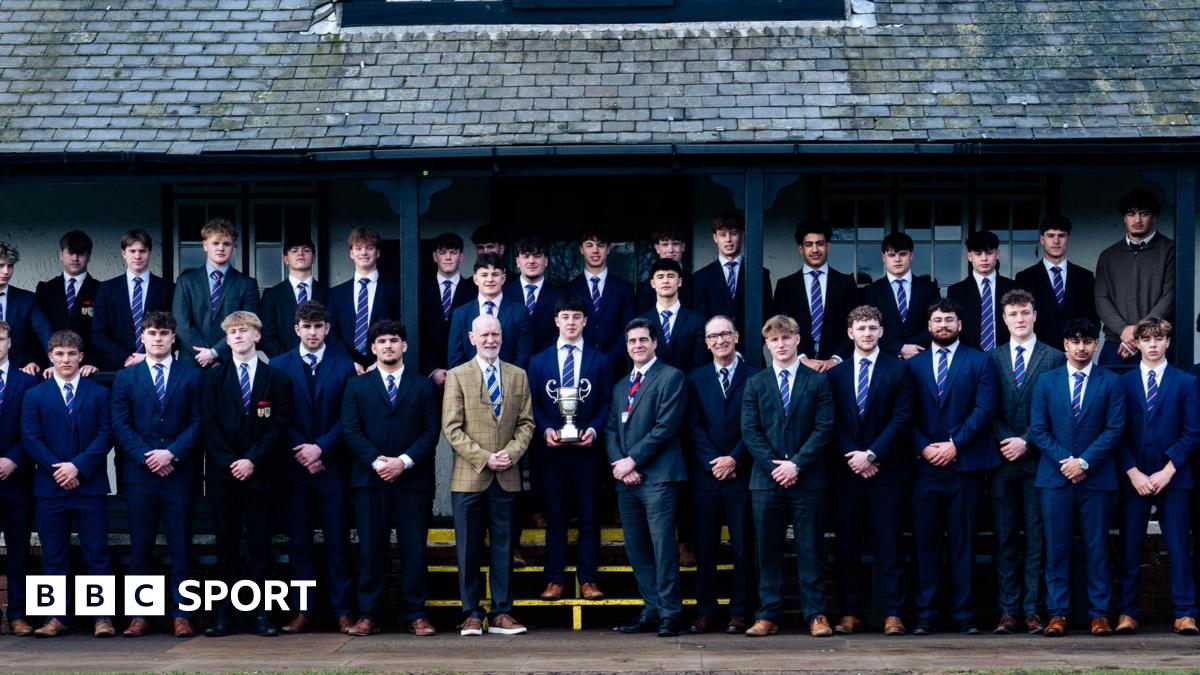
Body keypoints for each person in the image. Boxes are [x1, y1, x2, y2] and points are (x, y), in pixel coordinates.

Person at [342, 319, 440, 637]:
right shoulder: (356, 386)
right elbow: (351, 430)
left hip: (413, 481)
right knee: (371, 549)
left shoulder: (423, 386)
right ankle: (369, 615)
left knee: (415, 549)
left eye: (394, 340)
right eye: (382, 341)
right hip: (370, 481)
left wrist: (403, 462)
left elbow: (431, 432)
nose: (388, 346)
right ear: (373, 348)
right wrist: (377, 462)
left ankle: (417, 614)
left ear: (404, 346)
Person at [1029, 318, 1124, 637]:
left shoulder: (1111, 381)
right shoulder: (1047, 381)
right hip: (1055, 479)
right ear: (1065, 345)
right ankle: (1057, 614)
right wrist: (1067, 462)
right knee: (1056, 548)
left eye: (1087, 341)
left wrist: (1084, 462)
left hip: (1096, 478)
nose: (1080, 347)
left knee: (1097, 547)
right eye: (1074, 341)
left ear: (1096, 345)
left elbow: (1114, 429)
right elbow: (1038, 430)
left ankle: (1099, 614)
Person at [110, 311, 203, 638]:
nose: (158, 338)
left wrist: (171, 453)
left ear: (173, 338)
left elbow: (199, 422)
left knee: (181, 546)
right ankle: (140, 615)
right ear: (143, 338)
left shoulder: (192, 376)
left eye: (164, 333)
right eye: (152, 333)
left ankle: (183, 614)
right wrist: (146, 456)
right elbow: (120, 424)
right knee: (141, 547)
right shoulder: (126, 378)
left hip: (180, 473)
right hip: (141, 475)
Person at [907, 299, 998, 635]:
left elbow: (984, 409)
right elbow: (905, 413)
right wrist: (923, 447)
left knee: (964, 544)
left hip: (965, 467)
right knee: (925, 545)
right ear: (929, 325)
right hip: (924, 468)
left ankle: (965, 615)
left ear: (960, 324)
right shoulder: (913, 365)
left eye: (949, 319)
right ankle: (926, 615)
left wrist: (954, 444)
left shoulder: (980, 361)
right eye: (937, 320)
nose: (943, 325)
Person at [741, 314, 834, 638]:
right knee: (768, 551)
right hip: (766, 482)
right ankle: (768, 614)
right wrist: (776, 467)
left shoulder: (818, 381)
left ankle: (816, 614)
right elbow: (750, 431)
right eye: (774, 340)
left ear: (797, 340)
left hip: (808, 479)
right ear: (767, 345)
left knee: (810, 549)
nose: (780, 344)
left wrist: (796, 464)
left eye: (785, 338)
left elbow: (824, 428)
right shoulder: (756, 383)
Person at [442, 314, 535, 637]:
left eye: (495, 334)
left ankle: (502, 612)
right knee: (468, 548)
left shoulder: (518, 375)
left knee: (504, 548)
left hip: (507, 474)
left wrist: (511, 453)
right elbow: (451, 428)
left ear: (502, 337)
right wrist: (484, 458)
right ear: (472, 338)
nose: (490, 340)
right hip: (469, 476)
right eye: (484, 335)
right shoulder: (457, 375)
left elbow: (527, 423)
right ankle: (470, 613)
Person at [201, 311, 291, 638]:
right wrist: (232, 461)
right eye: (232, 332)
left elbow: (278, 426)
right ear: (226, 340)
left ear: (257, 335)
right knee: (225, 547)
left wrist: (252, 460)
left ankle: (260, 614)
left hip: (261, 475)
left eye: (244, 330)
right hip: (224, 477)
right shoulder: (212, 379)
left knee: (259, 547)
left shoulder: (277, 379)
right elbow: (209, 426)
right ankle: (224, 615)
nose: (238, 336)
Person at [826, 305, 914, 636]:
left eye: (872, 328)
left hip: (887, 471)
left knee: (890, 543)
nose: (867, 333)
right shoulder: (835, 375)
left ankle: (893, 613)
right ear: (850, 333)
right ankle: (851, 612)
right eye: (861, 328)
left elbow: (902, 418)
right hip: (847, 472)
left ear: (881, 332)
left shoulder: (899, 370)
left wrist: (873, 455)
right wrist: (855, 457)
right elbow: (831, 421)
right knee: (847, 545)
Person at [270, 301, 357, 635]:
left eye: (318, 326)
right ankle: (303, 611)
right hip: (294, 469)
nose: (312, 332)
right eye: (306, 326)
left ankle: (343, 611)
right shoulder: (278, 365)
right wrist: (303, 450)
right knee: (300, 544)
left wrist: (321, 448)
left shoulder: (345, 366)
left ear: (327, 329)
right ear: (296, 329)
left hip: (331, 467)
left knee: (338, 542)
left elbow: (348, 417)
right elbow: (278, 415)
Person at [21, 330, 114, 637]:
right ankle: (55, 616)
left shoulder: (98, 393)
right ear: (50, 357)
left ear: (81, 357)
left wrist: (78, 467)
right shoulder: (35, 395)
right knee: (53, 554)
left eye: (71, 354)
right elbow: (31, 438)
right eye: (59, 354)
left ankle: (101, 617)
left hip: (90, 485)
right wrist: (58, 470)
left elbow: (105, 435)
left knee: (97, 553)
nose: (65, 359)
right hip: (50, 488)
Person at [987, 290, 1065, 635]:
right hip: (1002, 461)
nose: (1019, 319)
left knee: (1037, 537)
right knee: (1005, 537)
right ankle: (1008, 611)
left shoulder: (1055, 357)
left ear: (1035, 315)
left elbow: (1058, 410)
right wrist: (1008, 440)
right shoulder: (991, 358)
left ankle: (1033, 610)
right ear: (1004, 319)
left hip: (1039, 461)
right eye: (1013, 314)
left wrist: (1027, 441)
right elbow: (986, 408)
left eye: (1025, 313)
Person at [1115, 318, 1199, 635]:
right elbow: (1116, 433)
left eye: (1159, 338)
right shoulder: (1122, 383)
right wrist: (1133, 471)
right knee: (1130, 547)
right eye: (1147, 339)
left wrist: (1168, 470)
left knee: (1178, 546)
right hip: (1133, 477)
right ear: (1137, 343)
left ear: (1168, 342)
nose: (1153, 344)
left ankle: (1185, 613)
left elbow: (1193, 432)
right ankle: (1127, 612)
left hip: (1174, 477)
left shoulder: (1185, 382)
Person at [607, 318, 687, 638]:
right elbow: (611, 429)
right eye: (632, 341)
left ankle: (670, 613)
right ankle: (652, 608)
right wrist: (620, 464)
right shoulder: (620, 386)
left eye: (643, 340)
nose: (637, 345)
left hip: (658, 479)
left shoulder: (671, 377)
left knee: (662, 547)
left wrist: (633, 460)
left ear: (655, 342)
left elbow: (666, 427)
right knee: (637, 548)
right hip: (627, 481)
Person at [527, 295, 611, 602]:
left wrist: (594, 429)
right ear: (556, 321)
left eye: (577, 316)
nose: (571, 322)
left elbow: (606, 402)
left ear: (585, 321)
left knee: (589, 517)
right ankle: (555, 579)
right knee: (556, 517)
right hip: (552, 452)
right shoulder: (538, 361)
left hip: (587, 451)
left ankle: (588, 579)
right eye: (565, 317)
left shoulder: (600, 360)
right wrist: (546, 429)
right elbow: (533, 403)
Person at [684, 315, 759, 635]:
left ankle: (740, 612)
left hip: (743, 474)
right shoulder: (695, 379)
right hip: (707, 476)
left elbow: (756, 424)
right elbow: (692, 426)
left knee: (743, 547)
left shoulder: (755, 376)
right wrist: (713, 461)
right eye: (713, 336)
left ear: (736, 337)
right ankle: (706, 611)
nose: (720, 341)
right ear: (706, 343)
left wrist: (734, 458)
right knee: (706, 548)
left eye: (725, 334)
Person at [1094, 189, 1176, 364]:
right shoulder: (1108, 256)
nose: (1137, 220)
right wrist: (1123, 330)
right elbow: (1101, 299)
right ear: (1124, 218)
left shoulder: (1170, 250)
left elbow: (1170, 296)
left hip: (1157, 344)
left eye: (1144, 213)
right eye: (1131, 214)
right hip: (1117, 344)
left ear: (1154, 216)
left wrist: (1139, 331)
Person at [171, 218, 261, 368]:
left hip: (229, 361)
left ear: (233, 247)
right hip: (192, 361)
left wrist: (215, 352)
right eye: (215, 243)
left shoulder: (247, 284)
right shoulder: (186, 281)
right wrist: (205, 353)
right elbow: (181, 324)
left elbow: (248, 323)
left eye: (226, 244)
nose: (221, 248)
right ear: (205, 245)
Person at [773, 218, 858, 372]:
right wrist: (802, 358)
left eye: (820, 243)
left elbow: (854, 326)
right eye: (809, 244)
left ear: (828, 246)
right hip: (797, 366)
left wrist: (835, 359)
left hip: (838, 367)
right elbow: (780, 328)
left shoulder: (846, 283)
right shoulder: (786, 285)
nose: (815, 249)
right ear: (801, 248)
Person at [0, 321, 39, 636]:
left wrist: (13, 459)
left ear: (10, 342)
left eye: (0, 339)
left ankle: (17, 614)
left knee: (18, 550)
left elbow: (32, 430)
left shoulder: (26, 382)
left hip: (17, 479)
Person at [92, 229, 174, 372]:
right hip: (117, 367)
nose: (137, 256)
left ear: (149, 252)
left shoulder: (167, 288)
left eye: (142, 251)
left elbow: (175, 329)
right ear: (123, 253)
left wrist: (149, 357)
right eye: (132, 251)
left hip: (158, 366)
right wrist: (126, 358)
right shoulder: (107, 289)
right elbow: (98, 333)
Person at [692, 211, 773, 352]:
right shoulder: (701, 277)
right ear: (715, 238)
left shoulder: (760, 273)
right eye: (722, 235)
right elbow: (700, 320)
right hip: (715, 353)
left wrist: (755, 343)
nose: (728, 239)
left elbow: (767, 314)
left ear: (742, 234)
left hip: (751, 352)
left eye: (733, 233)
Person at [1013, 215, 1098, 347]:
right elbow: (1021, 320)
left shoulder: (1085, 277)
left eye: (1061, 235)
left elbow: (1092, 318)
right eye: (1051, 236)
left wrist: (1079, 345)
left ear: (1068, 239)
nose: (1056, 241)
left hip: (1075, 351)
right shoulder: (1025, 278)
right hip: (1038, 351)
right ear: (1042, 239)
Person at [328, 227, 401, 371]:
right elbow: (331, 333)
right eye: (358, 248)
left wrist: (381, 362)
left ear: (378, 252)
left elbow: (400, 328)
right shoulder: (336, 293)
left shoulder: (394, 290)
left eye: (369, 248)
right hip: (346, 367)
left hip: (384, 366)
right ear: (351, 253)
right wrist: (349, 362)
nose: (364, 253)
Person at [447, 252, 533, 370]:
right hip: (469, 380)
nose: (490, 279)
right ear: (475, 279)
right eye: (484, 275)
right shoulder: (461, 314)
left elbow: (523, 356)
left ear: (503, 278)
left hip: (510, 379)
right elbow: (455, 358)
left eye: (495, 274)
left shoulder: (520, 312)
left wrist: (509, 378)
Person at [863, 232, 940, 359]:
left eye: (903, 254)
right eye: (891, 255)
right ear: (883, 257)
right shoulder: (872, 291)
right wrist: (899, 348)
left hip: (922, 356)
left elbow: (936, 323)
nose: (897, 259)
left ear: (911, 255)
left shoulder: (929, 288)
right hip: (886, 359)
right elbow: (868, 328)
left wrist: (913, 347)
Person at [565, 230, 635, 371]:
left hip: (615, 366)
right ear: (581, 249)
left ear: (608, 249)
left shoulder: (624, 288)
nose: (595, 250)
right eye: (589, 245)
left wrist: (609, 359)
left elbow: (629, 329)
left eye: (600, 245)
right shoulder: (570, 288)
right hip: (579, 364)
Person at [35, 231, 101, 370]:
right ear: (61, 255)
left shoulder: (101, 289)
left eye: (80, 253)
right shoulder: (45, 289)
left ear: (89, 256)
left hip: (88, 368)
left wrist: (94, 362)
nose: (75, 258)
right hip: (51, 367)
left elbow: (105, 331)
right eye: (70, 253)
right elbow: (36, 331)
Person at [418, 232, 477, 383]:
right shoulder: (420, 290)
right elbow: (417, 333)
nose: (448, 257)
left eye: (453, 252)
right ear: (434, 256)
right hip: (427, 375)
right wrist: (432, 370)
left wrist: (459, 369)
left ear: (461, 256)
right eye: (442, 252)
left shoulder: (474, 291)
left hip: (465, 373)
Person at [258, 236, 328, 358]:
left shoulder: (328, 293)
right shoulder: (272, 295)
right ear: (285, 259)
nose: (300, 253)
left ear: (314, 258)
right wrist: (287, 362)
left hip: (322, 361)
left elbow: (332, 332)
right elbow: (267, 336)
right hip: (283, 364)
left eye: (306, 250)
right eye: (294, 250)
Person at [947, 230, 1015, 352]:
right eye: (978, 254)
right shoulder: (956, 291)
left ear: (997, 254)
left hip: (1007, 354)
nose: (984, 259)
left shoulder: (1013, 287)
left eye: (989, 253)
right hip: (969, 356)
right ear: (970, 256)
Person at [638, 258, 707, 373]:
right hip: (651, 384)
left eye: (670, 276)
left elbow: (699, 364)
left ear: (679, 282)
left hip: (687, 383)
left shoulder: (697, 321)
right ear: (652, 283)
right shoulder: (641, 323)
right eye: (660, 277)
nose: (665, 281)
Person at [503, 235, 564, 355]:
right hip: (509, 363)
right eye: (526, 256)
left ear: (546, 261)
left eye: (537, 256)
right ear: (517, 262)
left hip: (545, 361)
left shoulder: (559, 296)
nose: (531, 261)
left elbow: (560, 333)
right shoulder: (503, 293)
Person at [0, 242, 52, 375]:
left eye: (10, 266)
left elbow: (43, 331)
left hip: (16, 372)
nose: (6, 271)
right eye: (1, 265)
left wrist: (54, 362)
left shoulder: (26, 299)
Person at [635, 224, 693, 312]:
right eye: (665, 244)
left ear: (683, 247)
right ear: (657, 248)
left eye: (675, 244)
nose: (670, 250)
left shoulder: (695, 283)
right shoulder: (644, 288)